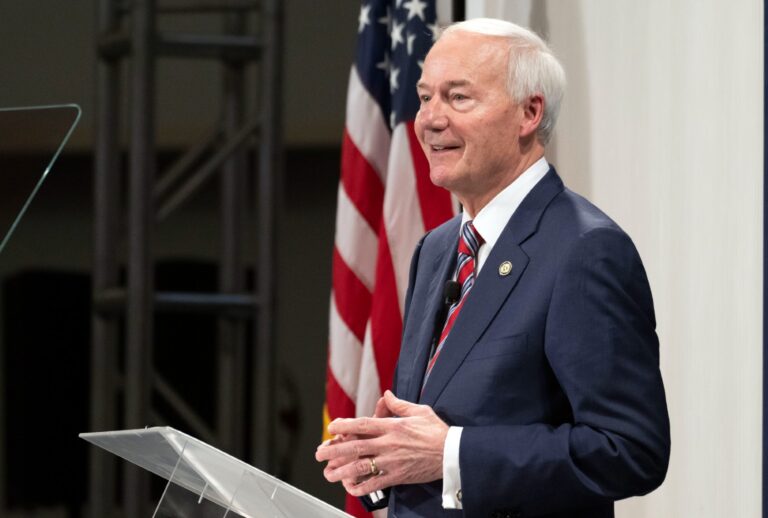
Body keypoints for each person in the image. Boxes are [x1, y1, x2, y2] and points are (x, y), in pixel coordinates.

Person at [316, 18, 670, 518]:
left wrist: (452, 454)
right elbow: (430, 438)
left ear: (529, 113)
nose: (429, 120)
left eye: (458, 98)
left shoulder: (586, 250)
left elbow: (630, 450)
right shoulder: (437, 250)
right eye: (424, 97)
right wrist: (380, 462)